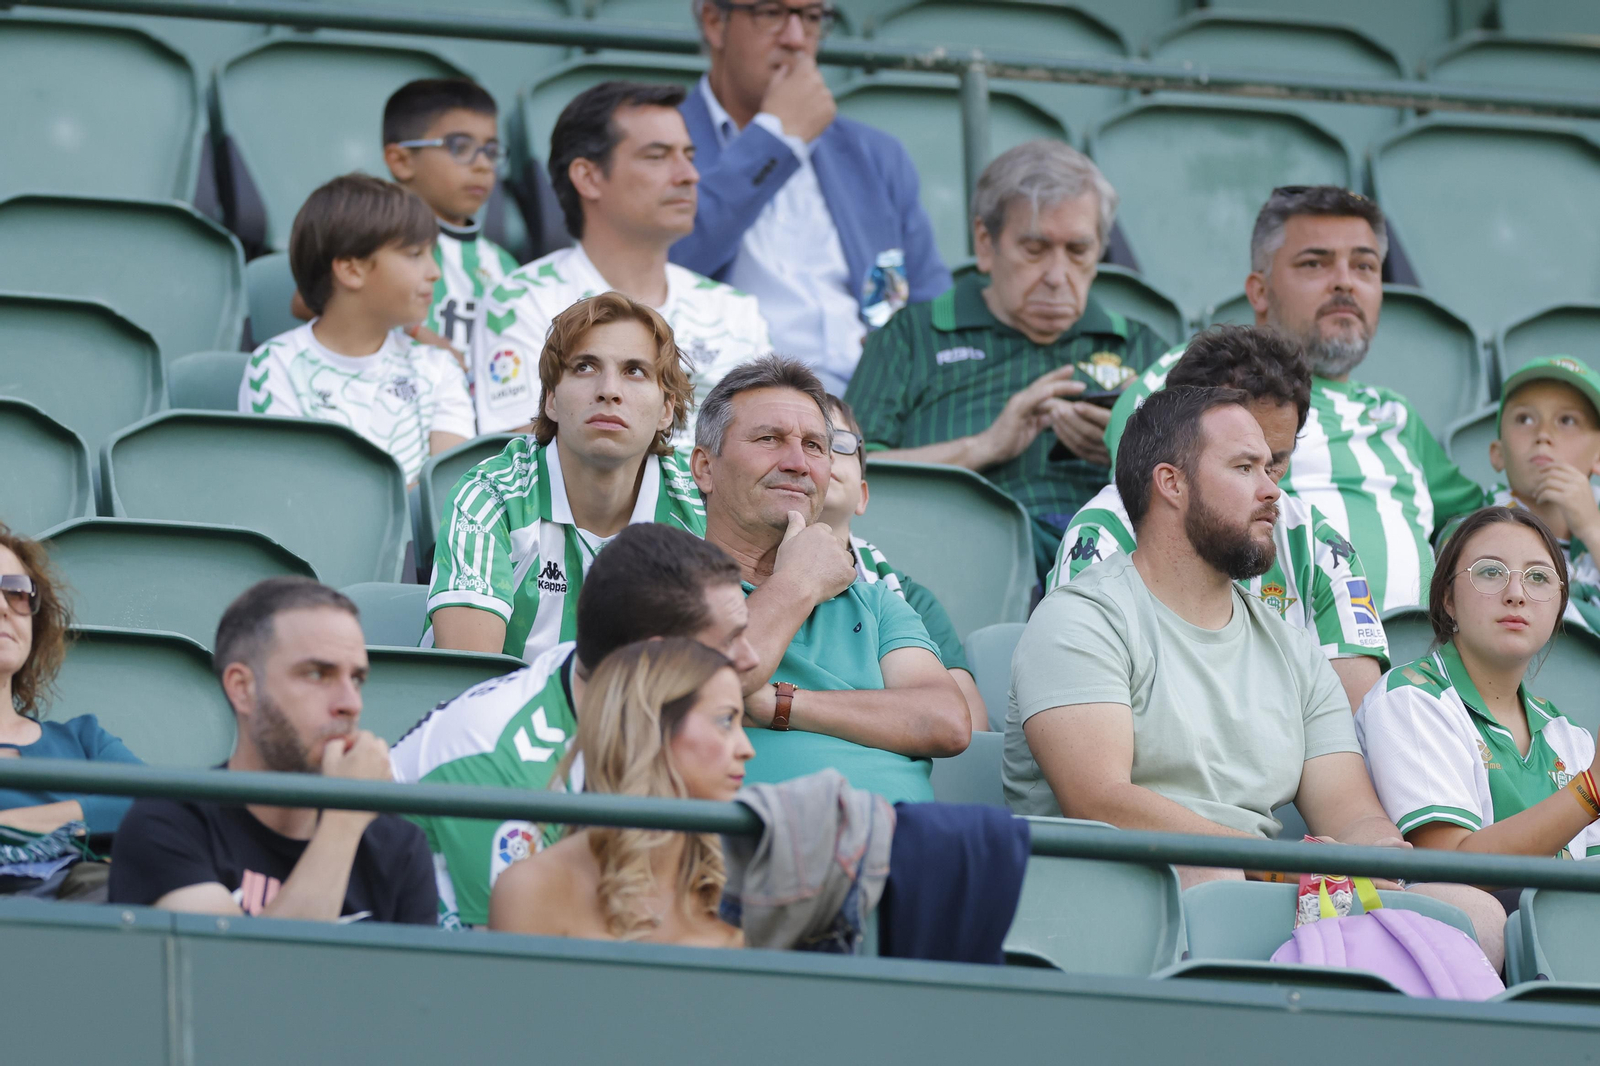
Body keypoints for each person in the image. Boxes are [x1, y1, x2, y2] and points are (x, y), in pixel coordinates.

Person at [1106, 185, 1485, 612]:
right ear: (1259, 291)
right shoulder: (1185, 377)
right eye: (1314, 263)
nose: (1345, 281)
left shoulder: (1394, 412)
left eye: (1364, 266)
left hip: (1415, 665)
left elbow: (1471, 519)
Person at [392, 523, 761, 929]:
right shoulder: (512, 774)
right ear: (652, 659)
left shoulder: (596, 676)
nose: (750, 658)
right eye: (730, 640)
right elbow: (514, 974)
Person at [846, 141, 1169, 579]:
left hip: (1114, 563)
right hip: (952, 562)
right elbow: (845, 470)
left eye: (1078, 252)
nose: (1057, 277)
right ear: (985, 242)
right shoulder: (911, 336)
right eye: (1035, 249)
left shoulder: (1144, 348)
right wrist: (984, 447)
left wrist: (1122, 453)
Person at [1049, 326, 1389, 712]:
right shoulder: (1101, 536)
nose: (1270, 485)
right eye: (1244, 463)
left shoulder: (1316, 541)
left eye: (1277, 461)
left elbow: (1355, 722)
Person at [692, 355, 970, 804]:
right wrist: (799, 581)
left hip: (904, 849)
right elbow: (706, 684)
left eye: (816, 447)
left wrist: (778, 704)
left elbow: (947, 721)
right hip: (743, 852)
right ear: (705, 467)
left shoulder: (877, 601)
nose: (799, 463)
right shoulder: (658, 575)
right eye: (769, 439)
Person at [109, 578, 436, 924]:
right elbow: (252, 971)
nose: (350, 704)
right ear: (243, 688)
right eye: (317, 674)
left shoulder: (399, 847)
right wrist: (344, 817)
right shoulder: (168, 824)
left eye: (356, 679)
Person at [674, 0, 950, 393]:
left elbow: (929, 305)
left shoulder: (876, 155)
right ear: (715, 22)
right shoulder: (660, 142)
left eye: (812, 16)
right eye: (770, 13)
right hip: (725, 405)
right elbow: (670, 257)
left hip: (869, 407)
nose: (796, 39)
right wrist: (774, 141)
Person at [472, 81, 771, 437]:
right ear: (588, 177)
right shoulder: (522, 301)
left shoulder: (735, 311)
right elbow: (524, 458)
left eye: (689, 156)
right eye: (657, 156)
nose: (689, 175)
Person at [427, 293, 704, 660]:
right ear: (551, 399)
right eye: (585, 367)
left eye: (634, 371)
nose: (609, 391)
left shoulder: (701, 499)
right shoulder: (490, 495)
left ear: (667, 410)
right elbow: (469, 684)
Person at [1359, 506, 1600, 874]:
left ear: (1558, 607)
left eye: (1538, 577)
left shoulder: (1569, 736)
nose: (1516, 593)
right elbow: (1450, 866)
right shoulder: (1410, 699)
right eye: (1490, 572)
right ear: (1447, 598)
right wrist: (1591, 791)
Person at [489, 638, 750, 945]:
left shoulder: (752, 886)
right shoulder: (532, 888)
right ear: (650, 727)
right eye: (725, 721)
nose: (747, 749)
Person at [241, 174, 475, 487]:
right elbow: (292, 493)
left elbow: (451, 496)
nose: (434, 273)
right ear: (352, 270)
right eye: (415, 255)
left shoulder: (439, 368)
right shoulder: (274, 366)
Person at [818, 395, 988, 732]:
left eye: (837, 442)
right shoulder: (729, 582)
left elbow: (970, 728)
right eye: (806, 443)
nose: (821, 454)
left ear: (863, 496)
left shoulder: (911, 601)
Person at [0, 525, 142, 847]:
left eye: (17, 591)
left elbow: (159, 803)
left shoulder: (85, 742)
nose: (4, 608)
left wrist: (11, 824)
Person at [1452, 355, 1600, 635]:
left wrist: (1593, 530)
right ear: (1497, 453)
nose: (1543, 434)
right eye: (1525, 418)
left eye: (1567, 420)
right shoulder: (1472, 531)